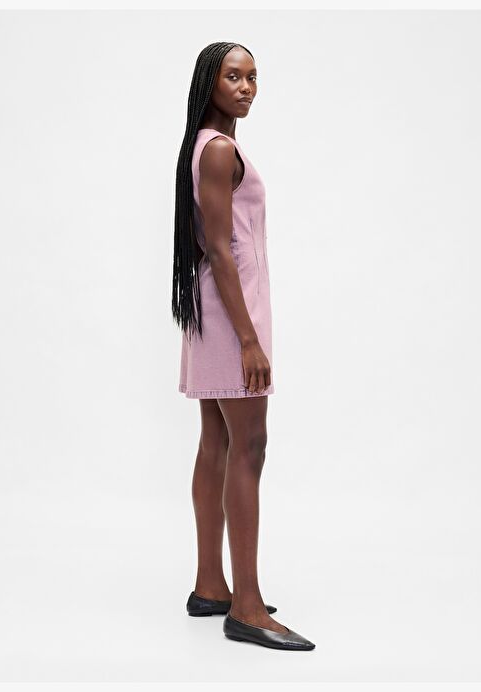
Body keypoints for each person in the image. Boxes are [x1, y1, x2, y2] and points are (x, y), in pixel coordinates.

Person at [172, 41, 315, 651]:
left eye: (253, 77)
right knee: (248, 446)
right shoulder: (219, 149)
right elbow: (220, 247)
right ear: (209, 82)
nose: (246, 87)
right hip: (233, 318)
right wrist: (251, 341)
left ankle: (211, 585)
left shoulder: (207, 145)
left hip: (213, 311)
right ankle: (247, 608)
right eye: (233, 76)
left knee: (217, 442)